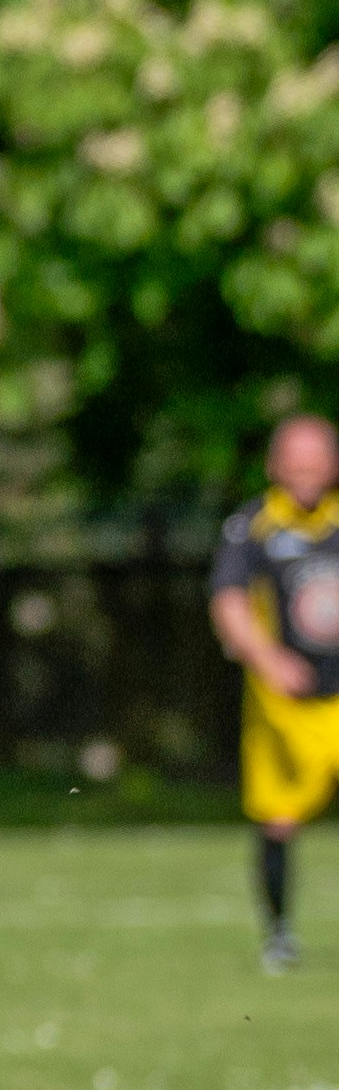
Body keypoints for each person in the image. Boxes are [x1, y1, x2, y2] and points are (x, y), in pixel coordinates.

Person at [208, 408, 339, 969]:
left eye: (317, 461)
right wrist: (267, 658)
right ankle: (280, 935)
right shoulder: (253, 526)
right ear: (274, 465)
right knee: (279, 819)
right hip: (284, 704)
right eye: (296, 462)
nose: (307, 473)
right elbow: (229, 601)